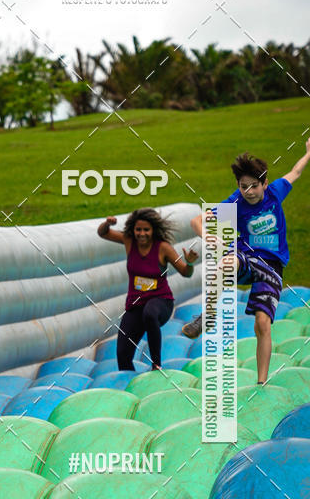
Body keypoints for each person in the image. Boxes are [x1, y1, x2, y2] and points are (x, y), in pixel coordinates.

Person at [182, 137, 310, 384]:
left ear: (265, 184)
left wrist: (307, 152)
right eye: (243, 186)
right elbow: (196, 221)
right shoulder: (235, 203)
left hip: (272, 264)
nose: (249, 192)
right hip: (246, 254)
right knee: (225, 264)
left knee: (262, 324)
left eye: (253, 186)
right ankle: (207, 316)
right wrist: (208, 237)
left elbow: (295, 171)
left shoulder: (275, 193)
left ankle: (262, 382)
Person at [98, 208, 198, 370]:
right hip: (136, 305)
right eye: (138, 229)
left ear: (153, 230)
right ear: (133, 229)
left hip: (161, 302)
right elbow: (103, 233)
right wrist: (107, 223)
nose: (142, 234)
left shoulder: (162, 248)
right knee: (123, 353)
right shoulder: (130, 241)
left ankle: (156, 364)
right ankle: (129, 382)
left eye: (146, 230)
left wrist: (190, 263)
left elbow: (186, 273)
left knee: (150, 313)